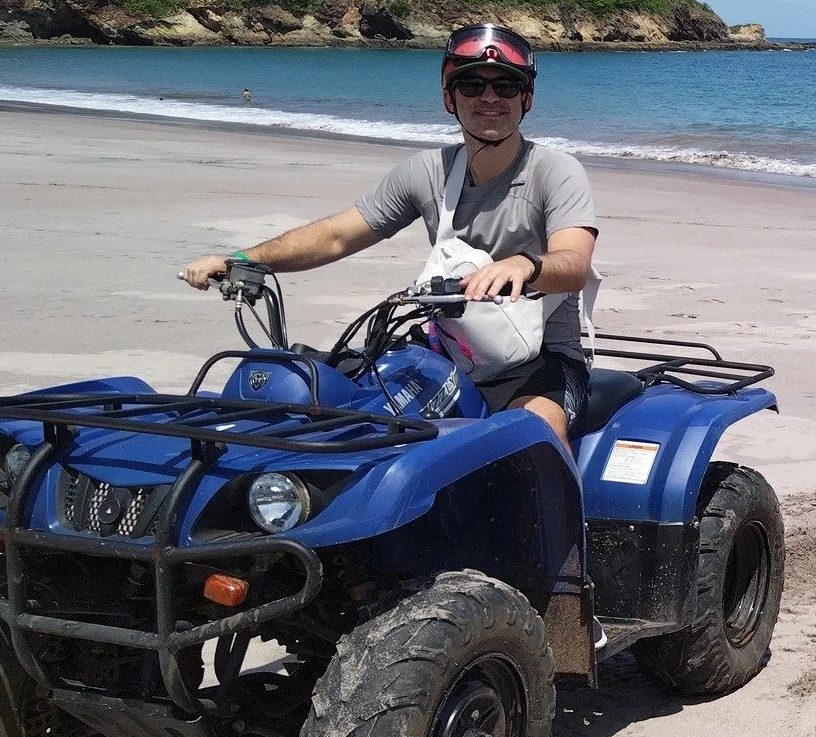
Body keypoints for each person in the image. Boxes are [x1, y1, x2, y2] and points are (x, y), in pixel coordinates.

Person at [183, 22, 598, 444]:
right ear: (449, 97)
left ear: (526, 98)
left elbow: (574, 263)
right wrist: (245, 259)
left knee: (535, 434)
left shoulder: (554, 171)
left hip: (541, 360)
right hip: (448, 349)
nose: (489, 98)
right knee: (341, 412)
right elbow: (336, 235)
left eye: (505, 87)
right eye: (472, 85)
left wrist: (526, 266)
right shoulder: (428, 172)